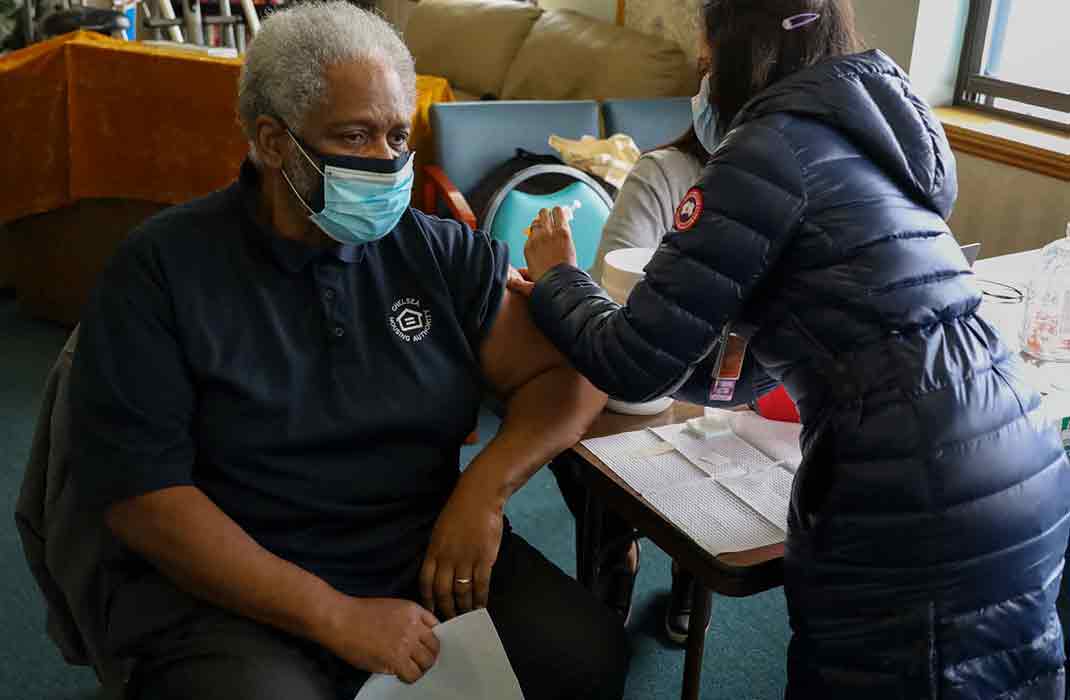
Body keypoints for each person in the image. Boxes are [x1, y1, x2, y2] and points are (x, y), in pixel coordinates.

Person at [65, 4, 630, 699]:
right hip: (231, 586)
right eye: (356, 136)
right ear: (273, 142)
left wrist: (484, 491)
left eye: (398, 134)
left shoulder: (438, 252)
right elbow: (145, 501)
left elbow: (567, 377)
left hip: (412, 549)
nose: (388, 161)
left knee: (584, 655)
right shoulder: (160, 270)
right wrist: (334, 616)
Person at [513, 0, 1070, 697]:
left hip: (912, 493)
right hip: (1021, 458)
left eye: (708, 64)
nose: (704, 85)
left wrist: (555, 275)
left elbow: (632, 362)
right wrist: (695, 362)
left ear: (742, 50)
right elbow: (748, 372)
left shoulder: (763, 150)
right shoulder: (874, 144)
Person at [550, 42, 719, 644]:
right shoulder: (665, 174)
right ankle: (615, 549)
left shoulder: (806, 177)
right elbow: (607, 297)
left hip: (733, 378)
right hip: (649, 364)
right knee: (564, 414)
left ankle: (690, 568)